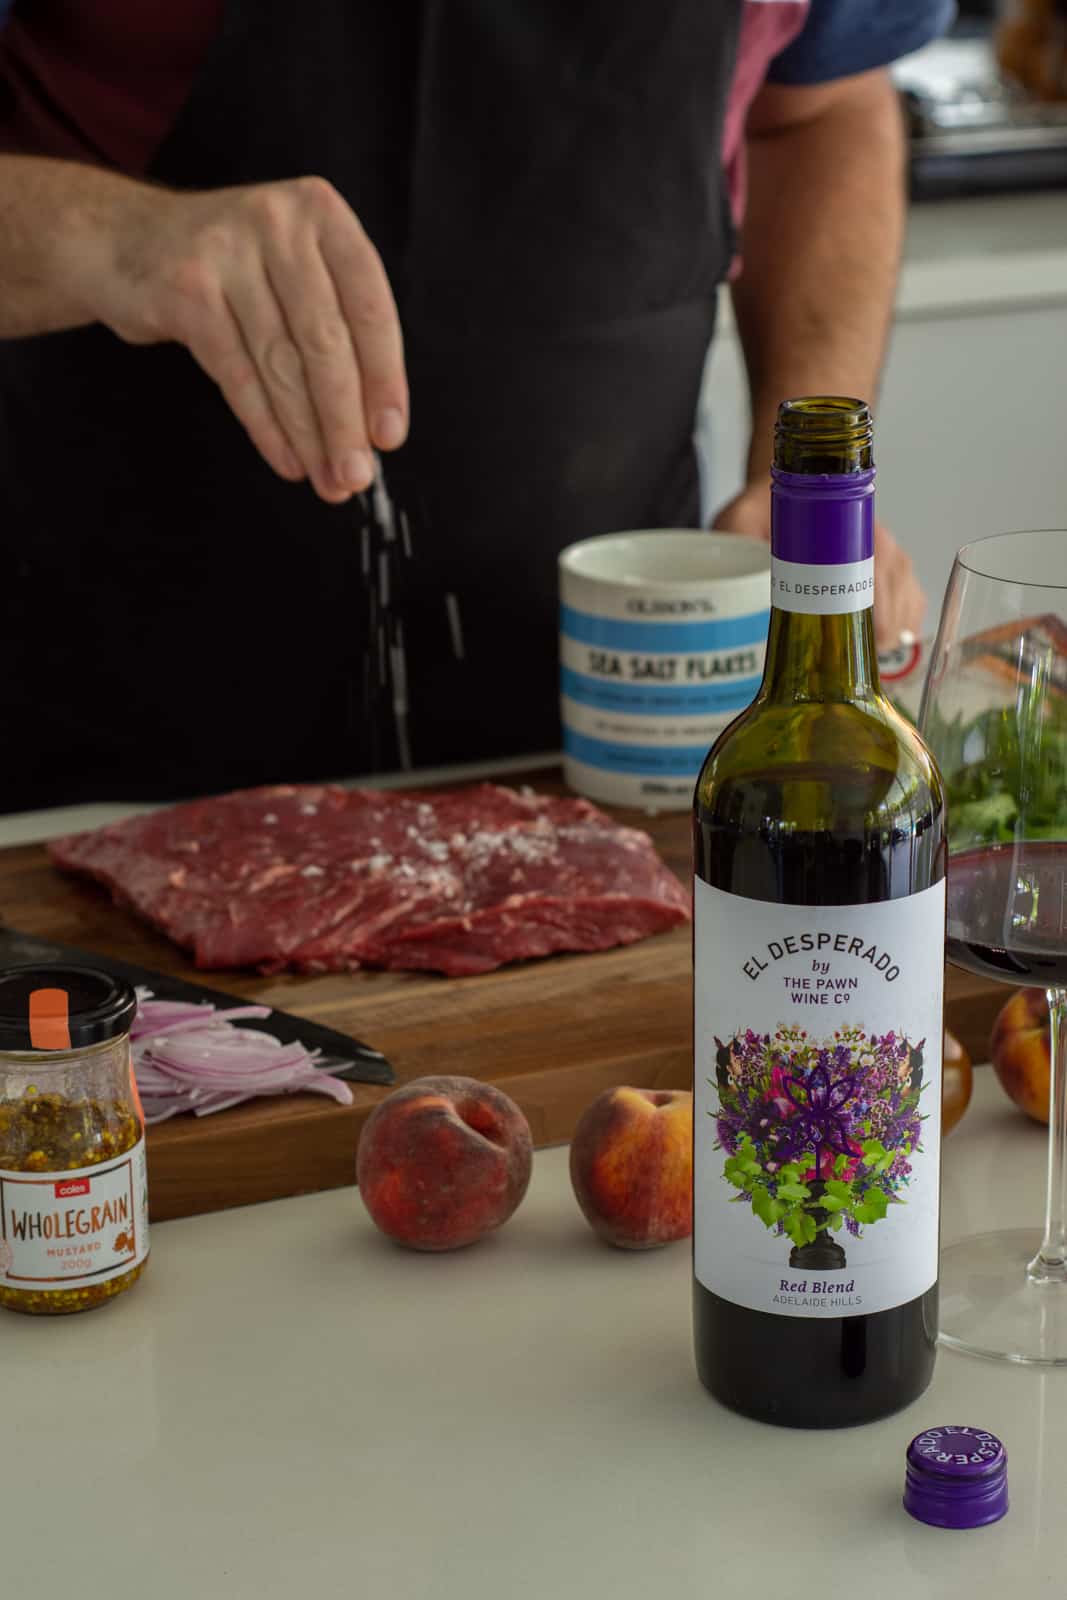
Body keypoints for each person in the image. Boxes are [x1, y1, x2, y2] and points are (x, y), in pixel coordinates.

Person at [0, 1, 949, 814]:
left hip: (620, 724)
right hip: (102, 712)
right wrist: (111, 237)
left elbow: (820, 110)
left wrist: (803, 483)